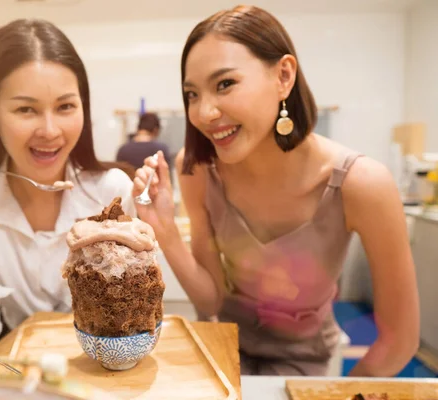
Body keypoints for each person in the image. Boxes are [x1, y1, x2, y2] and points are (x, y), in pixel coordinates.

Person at [133, 5, 419, 376]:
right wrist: (166, 232)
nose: (204, 113)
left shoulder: (362, 184)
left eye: (225, 84)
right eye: (192, 94)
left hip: (305, 364)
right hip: (221, 355)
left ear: (283, 76)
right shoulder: (197, 168)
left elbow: (399, 341)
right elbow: (211, 299)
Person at [0, 19, 135, 365]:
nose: (50, 130)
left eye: (66, 106)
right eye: (26, 109)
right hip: (14, 380)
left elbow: (135, 318)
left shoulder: (112, 192)